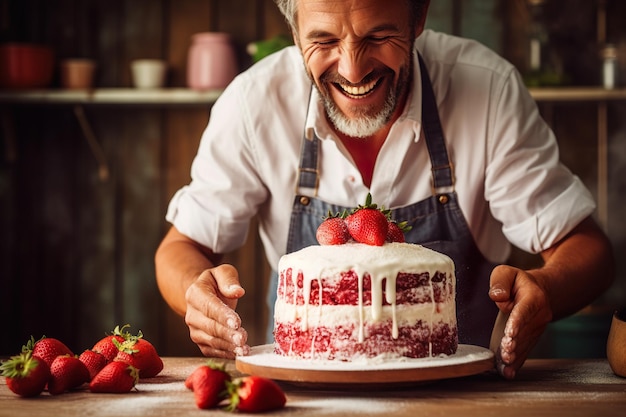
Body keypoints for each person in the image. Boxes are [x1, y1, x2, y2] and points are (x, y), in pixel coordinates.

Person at [155, 0, 614, 379]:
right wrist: (197, 294)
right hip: (302, 398)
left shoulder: (488, 90)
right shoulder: (254, 103)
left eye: (377, 36)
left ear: (418, 18)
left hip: (465, 397)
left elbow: (589, 250)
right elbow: (181, 246)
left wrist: (544, 289)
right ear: (294, 32)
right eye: (324, 40)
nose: (353, 70)